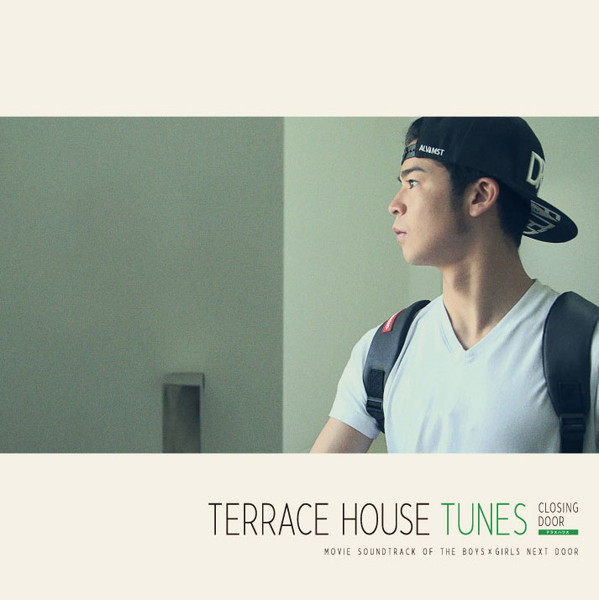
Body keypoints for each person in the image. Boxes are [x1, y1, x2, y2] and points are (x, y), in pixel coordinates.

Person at [311, 117, 598, 453]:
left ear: (479, 195)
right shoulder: (383, 351)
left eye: (413, 182)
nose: (394, 204)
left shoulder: (586, 349)